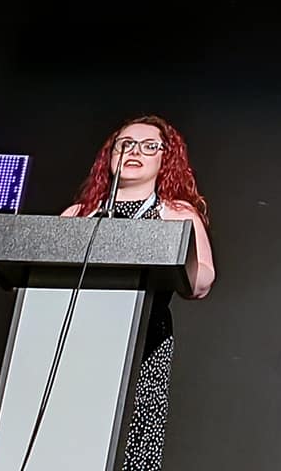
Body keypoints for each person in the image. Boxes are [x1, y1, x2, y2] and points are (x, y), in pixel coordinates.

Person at [63, 115, 215, 471]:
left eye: (149, 146)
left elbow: (203, 280)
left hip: (143, 337)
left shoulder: (176, 215)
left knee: (136, 434)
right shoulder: (80, 214)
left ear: (165, 159)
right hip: (78, 337)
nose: (135, 151)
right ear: (110, 154)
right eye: (126, 144)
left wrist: (179, 257)